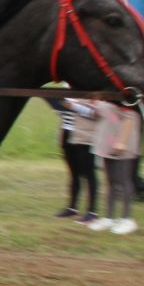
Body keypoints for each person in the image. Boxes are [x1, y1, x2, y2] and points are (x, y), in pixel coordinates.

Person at [86, 99, 142, 235]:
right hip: (106, 143)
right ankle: (109, 217)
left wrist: (122, 141)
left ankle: (127, 219)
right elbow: (98, 116)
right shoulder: (103, 96)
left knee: (123, 180)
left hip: (122, 144)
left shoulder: (124, 98)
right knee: (110, 181)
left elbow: (130, 117)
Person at [52, 96, 99, 224]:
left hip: (84, 136)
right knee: (73, 173)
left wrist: (73, 106)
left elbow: (95, 113)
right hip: (67, 133)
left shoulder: (89, 91)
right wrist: (57, 105)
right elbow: (62, 113)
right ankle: (72, 207)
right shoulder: (65, 88)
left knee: (89, 173)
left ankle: (92, 211)